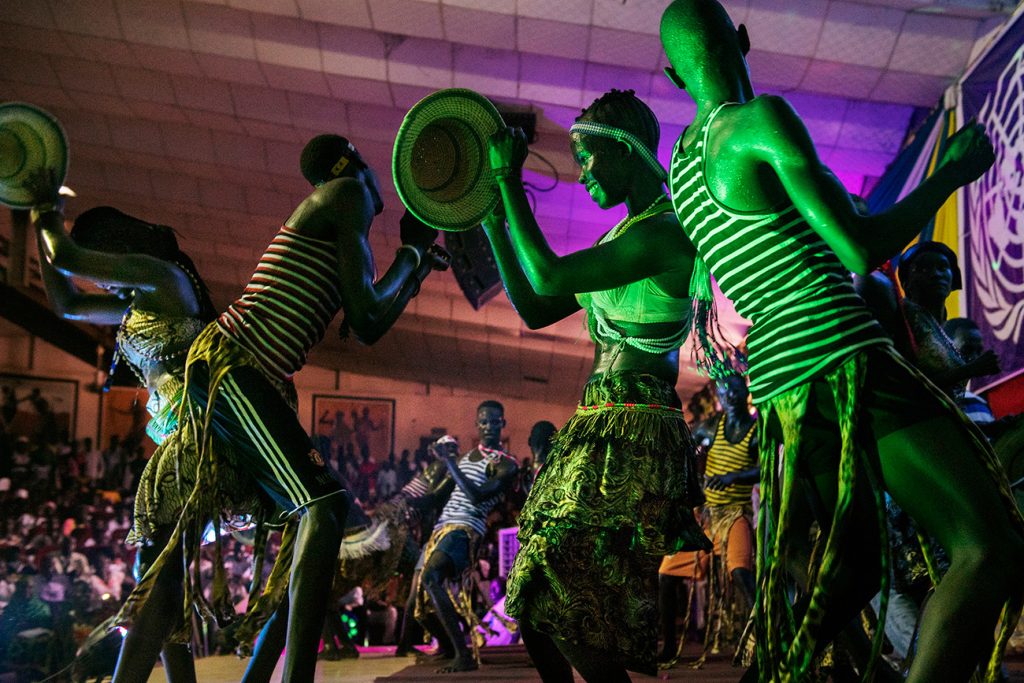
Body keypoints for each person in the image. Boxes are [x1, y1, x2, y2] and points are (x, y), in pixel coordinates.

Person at [659, 2, 1024, 681]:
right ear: (741, 38)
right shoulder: (760, 120)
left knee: (853, 568)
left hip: (785, 388)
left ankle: (775, 672)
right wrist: (949, 173)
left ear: (677, 79)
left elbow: (723, 272)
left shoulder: (681, 167)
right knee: (989, 544)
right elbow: (859, 245)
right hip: (841, 355)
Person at [484, 88, 709, 680]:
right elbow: (536, 305)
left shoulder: (664, 233)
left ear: (625, 149)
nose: (581, 174)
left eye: (586, 158)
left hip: (636, 428)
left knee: (566, 588)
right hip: (594, 424)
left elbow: (552, 270)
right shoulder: (619, 240)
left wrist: (510, 181)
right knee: (534, 590)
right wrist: (489, 219)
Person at [28, 190, 225, 683]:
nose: (96, 279)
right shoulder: (137, 302)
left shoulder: (165, 279)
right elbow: (67, 303)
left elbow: (67, 258)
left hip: (200, 441)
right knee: (157, 575)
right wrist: (38, 229)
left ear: (120, 253)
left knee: (153, 570)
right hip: (179, 443)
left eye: (101, 268)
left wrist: (42, 209)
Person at [411, 403, 518, 673]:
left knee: (431, 577)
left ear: (503, 424)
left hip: (466, 529)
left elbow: (477, 496)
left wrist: (448, 461)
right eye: (483, 422)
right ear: (477, 424)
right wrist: (406, 505)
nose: (488, 427)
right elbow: (436, 497)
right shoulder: (463, 459)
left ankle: (463, 654)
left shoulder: (507, 464)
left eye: (494, 423)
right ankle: (449, 648)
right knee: (416, 601)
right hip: (441, 528)